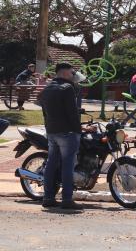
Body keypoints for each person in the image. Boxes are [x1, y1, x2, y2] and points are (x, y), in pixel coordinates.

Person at [39, 63, 87, 210]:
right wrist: (79, 130)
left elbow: (45, 114)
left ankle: (48, 198)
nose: (73, 76)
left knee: (51, 165)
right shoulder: (67, 89)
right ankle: (67, 199)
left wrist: (49, 130)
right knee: (67, 165)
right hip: (67, 133)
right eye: (72, 73)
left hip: (52, 132)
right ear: (65, 73)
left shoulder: (46, 89)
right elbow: (72, 114)